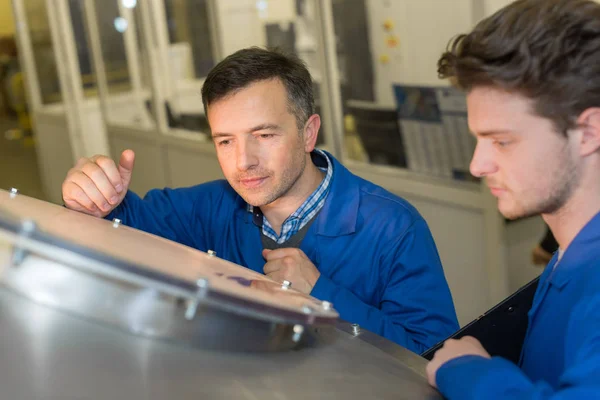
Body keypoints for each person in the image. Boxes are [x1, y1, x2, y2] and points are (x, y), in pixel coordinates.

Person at [61, 47, 458, 353]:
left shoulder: (393, 228)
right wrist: (95, 199)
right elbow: (130, 223)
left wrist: (322, 295)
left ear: (308, 132)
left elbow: (431, 356)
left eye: (264, 135)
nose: (243, 161)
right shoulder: (215, 206)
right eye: (225, 141)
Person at [426, 0, 600, 397]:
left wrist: (469, 372)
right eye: (478, 139)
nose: (477, 165)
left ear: (589, 132)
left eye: (502, 141)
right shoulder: (569, 254)